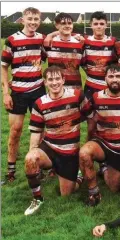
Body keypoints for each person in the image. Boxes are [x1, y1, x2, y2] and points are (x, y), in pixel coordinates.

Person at [23, 66, 91, 215]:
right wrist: (33, 158)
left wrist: (89, 142)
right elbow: (35, 133)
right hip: (50, 148)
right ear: (45, 82)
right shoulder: (39, 103)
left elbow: (91, 117)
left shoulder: (77, 96)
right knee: (30, 159)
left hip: (70, 152)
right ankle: (37, 199)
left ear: (63, 80)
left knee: (67, 194)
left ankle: (78, 176)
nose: (54, 83)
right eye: (50, 79)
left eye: (57, 79)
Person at [79, 64, 120, 206]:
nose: (114, 79)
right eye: (111, 76)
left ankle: (104, 167)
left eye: (118, 76)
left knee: (114, 188)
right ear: (105, 79)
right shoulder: (96, 97)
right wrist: (89, 140)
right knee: (84, 153)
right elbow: (90, 120)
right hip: (102, 143)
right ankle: (94, 193)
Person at [1, 7, 46, 183]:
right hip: (18, 92)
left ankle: (38, 166)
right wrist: (6, 93)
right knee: (15, 131)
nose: (33, 22)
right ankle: (10, 171)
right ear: (23, 19)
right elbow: (3, 66)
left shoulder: (42, 39)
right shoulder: (12, 40)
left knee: (40, 131)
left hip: (38, 90)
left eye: (36, 19)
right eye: (30, 19)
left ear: (39, 21)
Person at [82, 11, 119, 99]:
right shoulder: (85, 41)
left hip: (108, 86)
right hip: (90, 86)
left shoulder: (114, 41)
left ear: (106, 25)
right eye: (96, 24)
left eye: (102, 24)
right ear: (91, 25)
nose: (99, 26)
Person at [44, 13, 84, 89]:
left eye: (69, 23)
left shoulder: (80, 43)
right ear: (56, 25)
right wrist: (50, 35)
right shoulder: (49, 42)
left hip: (75, 89)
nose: (67, 26)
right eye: (63, 23)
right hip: (55, 89)